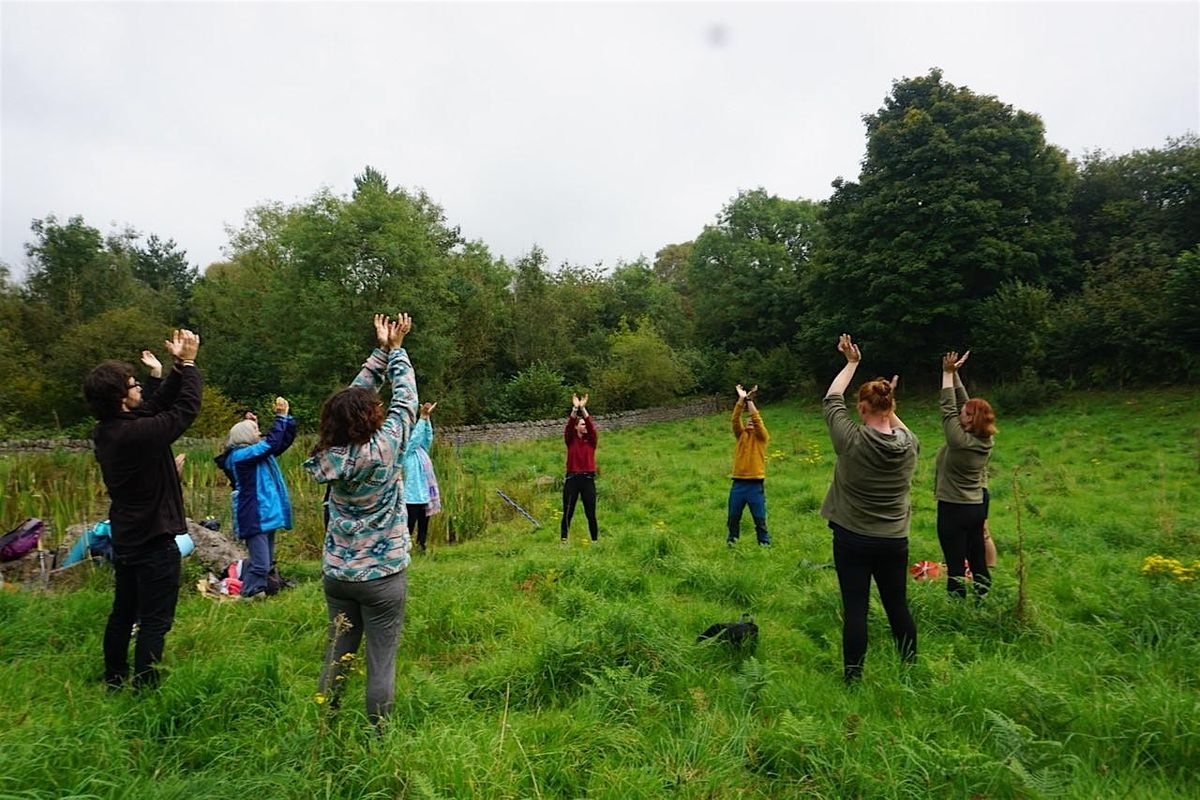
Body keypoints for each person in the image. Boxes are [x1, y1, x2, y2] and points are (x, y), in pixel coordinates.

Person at [304, 313, 418, 727]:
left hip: (338, 574)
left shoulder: (327, 458)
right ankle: (379, 738)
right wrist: (397, 351)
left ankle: (324, 725)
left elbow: (349, 400)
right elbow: (407, 400)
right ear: (370, 417)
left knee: (338, 650)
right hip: (384, 575)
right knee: (381, 662)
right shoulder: (385, 447)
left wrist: (379, 354)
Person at [83, 329, 202, 690]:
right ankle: (144, 690)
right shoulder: (134, 434)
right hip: (154, 540)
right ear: (121, 398)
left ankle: (115, 679)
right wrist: (190, 364)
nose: (140, 390)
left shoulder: (109, 430)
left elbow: (154, 406)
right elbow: (184, 410)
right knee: (154, 621)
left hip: (129, 537)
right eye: (134, 385)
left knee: (123, 612)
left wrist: (174, 370)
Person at [821, 333, 919, 683]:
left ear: (861, 409)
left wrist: (851, 363)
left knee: (856, 610)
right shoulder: (910, 446)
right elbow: (897, 426)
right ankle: (910, 670)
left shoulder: (850, 440)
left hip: (852, 539)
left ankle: (853, 680)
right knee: (897, 606)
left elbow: (833, 397)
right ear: (892, 410)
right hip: (894, 540)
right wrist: (889, 408)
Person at [215, 396, 298, 598]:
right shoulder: (240, 457)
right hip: (254, 515)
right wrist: (280, 417)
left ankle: (257, 592)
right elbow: (270, 443)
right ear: (244, 436)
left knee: (266, 563)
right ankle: (248, 594)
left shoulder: (255, 454)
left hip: (266, 513)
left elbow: (281, 441)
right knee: (261, 564)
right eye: (255, 431)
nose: (259, 433)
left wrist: (287, 420)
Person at [935, 350, 998, 598]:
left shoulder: (959, 441)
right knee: (977, 557)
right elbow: (964, 405)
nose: (962, 412)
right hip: (977, 504)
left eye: (966, 413)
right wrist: (956, 375)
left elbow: (949, 408)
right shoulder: (984, 437)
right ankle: (983, 597)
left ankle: (957, 607)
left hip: (954, 508)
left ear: (969, 421)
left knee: (955, 563)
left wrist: (946, 374)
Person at [727, 383, 771, 546]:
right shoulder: (741, 436)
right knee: (733, 517)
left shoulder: (762, 438)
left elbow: (758, 421)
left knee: (759, 517)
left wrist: (750, 401)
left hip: (755, 484)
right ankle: (732, 542)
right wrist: (741, 400)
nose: (751, 423)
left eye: (753, 422)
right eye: (749, 422)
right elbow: (734, 419)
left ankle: (764, 543)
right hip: (738, 483)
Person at [402, 401, 442, 553]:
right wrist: (422, 418)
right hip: (411, 497)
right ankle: (405, 550)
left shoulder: (421, 451)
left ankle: (422, 546)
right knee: (409, 525)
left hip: (424, 495)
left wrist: (427, 419)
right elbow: (415, 439)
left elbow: (427, 437)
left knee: (424, 525)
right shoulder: (406, 451)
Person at [561, 393, 599, 543]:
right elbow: (568, 427)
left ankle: (595, 541)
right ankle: (564, 540)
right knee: (568, 512)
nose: (585, 427)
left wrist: (583, 409)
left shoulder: (591, 441)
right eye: (582, 424)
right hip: (572, 479)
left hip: (588, 479)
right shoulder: (570, 441)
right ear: (577, 427)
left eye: (585, 424)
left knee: (591, 513)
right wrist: (575, 409)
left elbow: (592, 426)